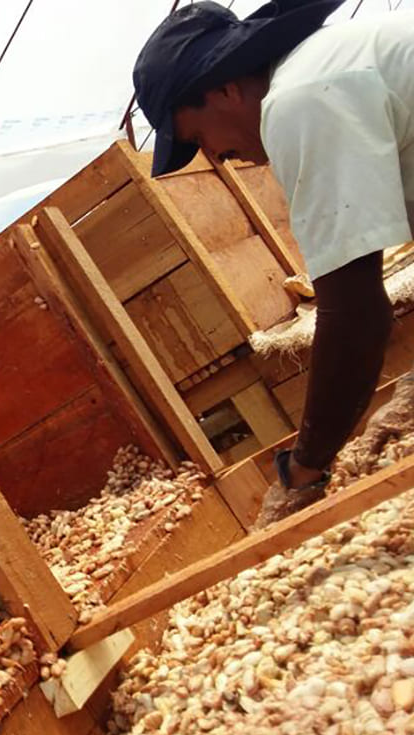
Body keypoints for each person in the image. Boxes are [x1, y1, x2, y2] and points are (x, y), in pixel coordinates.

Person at [132, 1, 414, 525]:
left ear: (225, 88)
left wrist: (303, 470)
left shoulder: (299, 102)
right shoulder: (331, 63)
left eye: (198, 138)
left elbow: (354, 314)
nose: (216, 154)